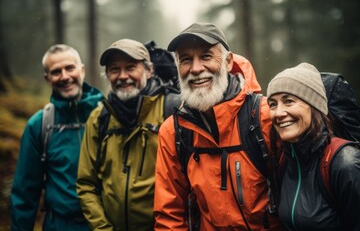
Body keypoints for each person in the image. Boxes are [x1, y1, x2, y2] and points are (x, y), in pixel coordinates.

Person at [154, 22, 283, 230]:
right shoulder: (173, 132)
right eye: (186, 60)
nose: (196, 69)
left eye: (206, 56)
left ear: (228, 61)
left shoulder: (264, 117)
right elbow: (170, 213)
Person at [76, 38, 181, 230]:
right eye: (114, 69)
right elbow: (86, 183)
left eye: (131, 67)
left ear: (149, 71)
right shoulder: (99, 118)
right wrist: (102, 228)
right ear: (107, 75)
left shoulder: (173, 110)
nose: (123, 76)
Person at [10, 44, 104, 230]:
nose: (65, 77)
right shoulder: (40, 125)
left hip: (104, 225)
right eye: (56, 72)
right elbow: (25, 193)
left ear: (82, 70)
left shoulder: (107, 116)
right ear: (47, 78)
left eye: (70, 68)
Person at [266, 63, 360, 231]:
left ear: (315, 105)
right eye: (273, 104)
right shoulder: (285, 161)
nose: (278, 113)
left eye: (288, 101)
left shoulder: (345, 164)